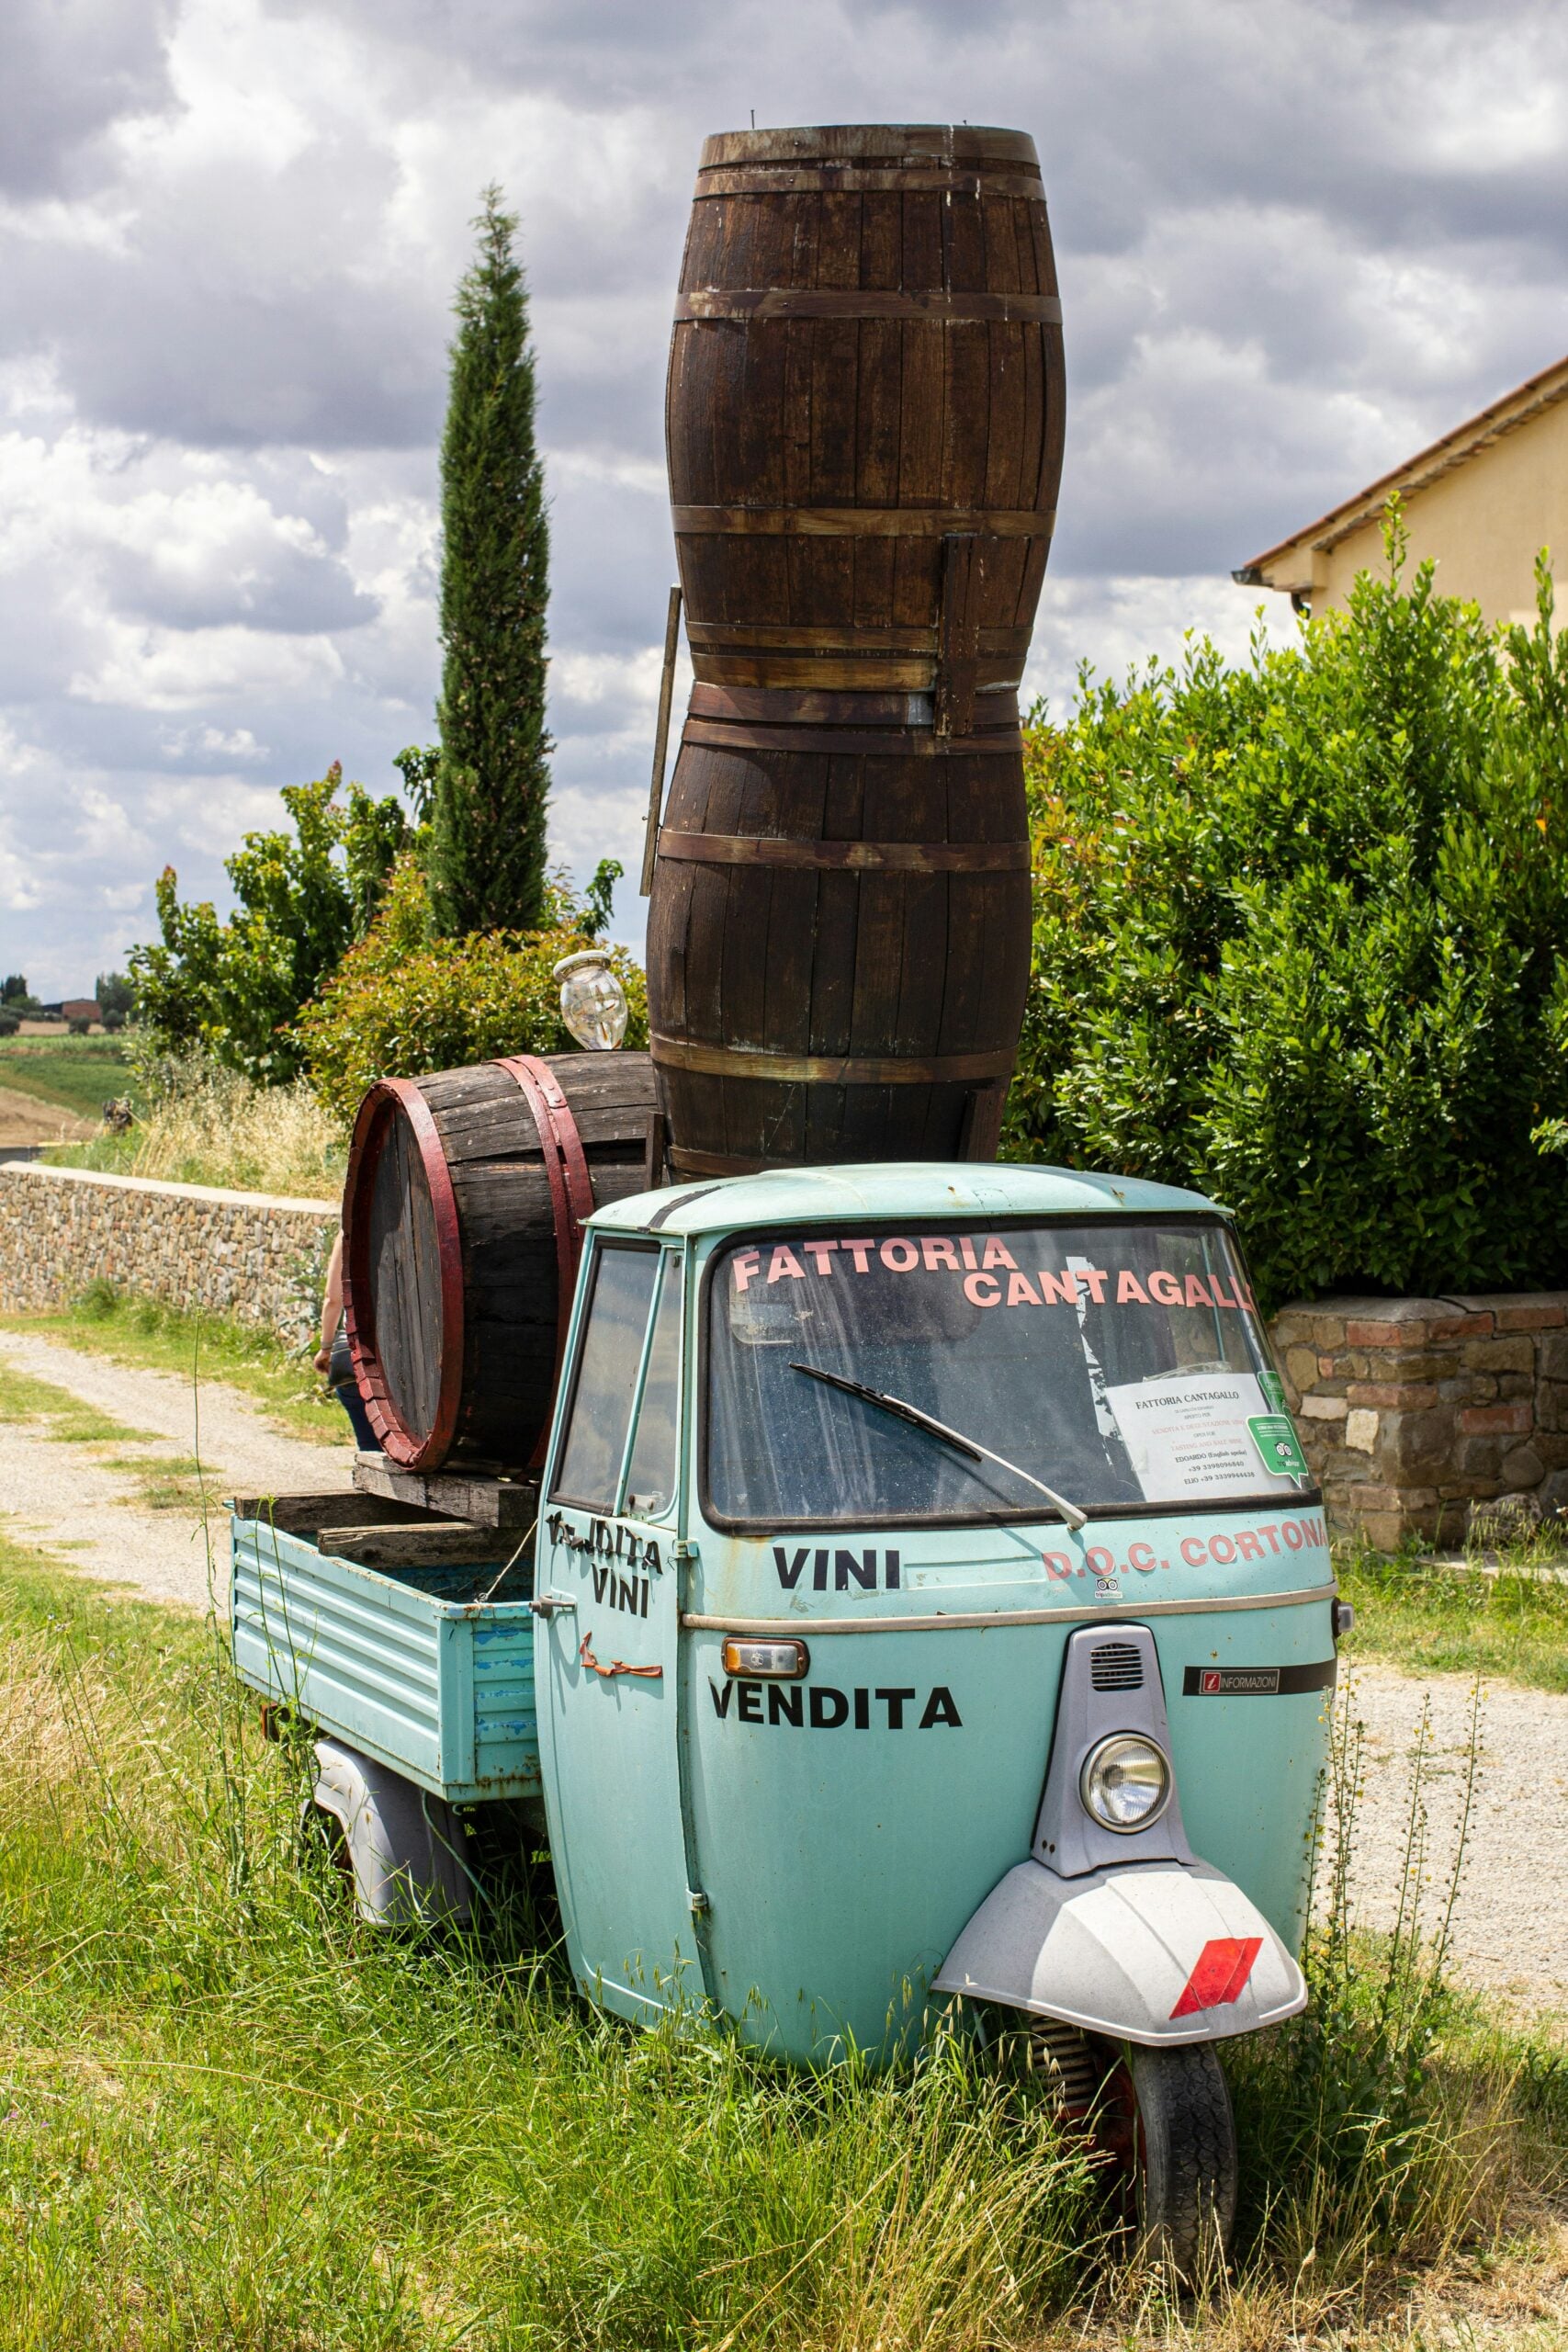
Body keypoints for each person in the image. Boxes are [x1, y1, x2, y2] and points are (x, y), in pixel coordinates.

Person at [314, 1227, 381, 1452]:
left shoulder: (348, 1232)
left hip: (357, 1355)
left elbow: (333, 1299)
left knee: (370, 1448)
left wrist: (325, 1348)